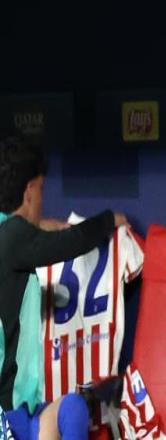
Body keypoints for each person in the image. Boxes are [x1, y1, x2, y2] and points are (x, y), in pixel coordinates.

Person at [0, 136, 128, 439]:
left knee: (71, 408)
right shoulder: (14, 237)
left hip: (23, 412)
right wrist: (109, 219)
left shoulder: (8, 233)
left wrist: (54, 226)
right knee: (72, 410)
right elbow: (70, 243)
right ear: (30, 191)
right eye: (42, 190)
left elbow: (37, 231)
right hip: (7, 414)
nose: (42, 199)